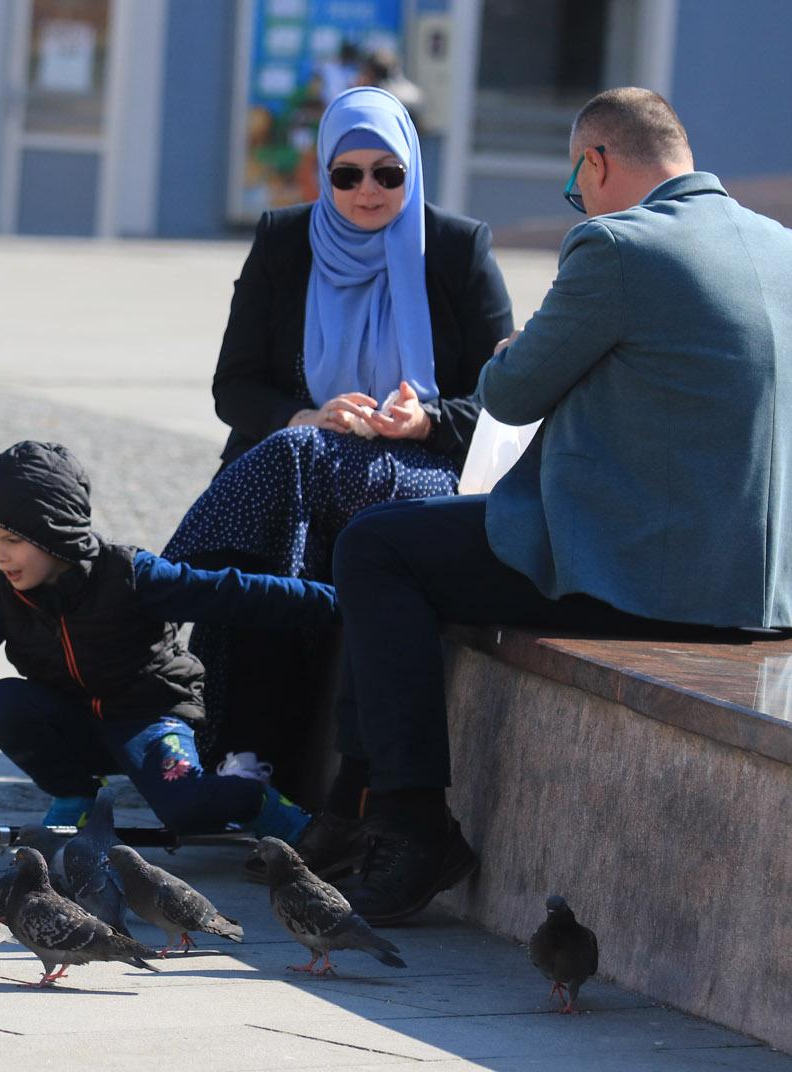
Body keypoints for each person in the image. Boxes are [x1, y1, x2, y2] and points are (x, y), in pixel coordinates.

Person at [321, 87, 792, 925]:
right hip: (760, 591)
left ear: (598, 161)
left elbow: (511, 388)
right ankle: (354, 802)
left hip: (643, 574)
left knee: (378, 546)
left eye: (579, 183)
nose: (580, 201)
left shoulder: (618, 244)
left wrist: (516, 344)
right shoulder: (779, 247)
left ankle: (407, 820)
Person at [163, 87, 512, 793]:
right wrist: (306, 417)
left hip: (414, 464)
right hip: (300, 451)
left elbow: (505, 396)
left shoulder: (455, 248)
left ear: (414, 171)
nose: (368, 191)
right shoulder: (284, 242)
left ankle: (163, 603)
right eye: (346, 174)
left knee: (291, 481)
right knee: (291, 490)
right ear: (324, 173)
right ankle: (251, 755)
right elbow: (235, 387)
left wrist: (427, 419)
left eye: (389, 174)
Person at [0, 441, 340, 842]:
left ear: (57, 534)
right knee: (4, 700)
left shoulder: (129, 576)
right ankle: (76, 794)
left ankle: (261, 802)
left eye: (12, 540)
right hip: (77, 721)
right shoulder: (6, 594)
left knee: (188, 813)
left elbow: (233, 593)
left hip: (149, 718)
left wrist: (340, 601)